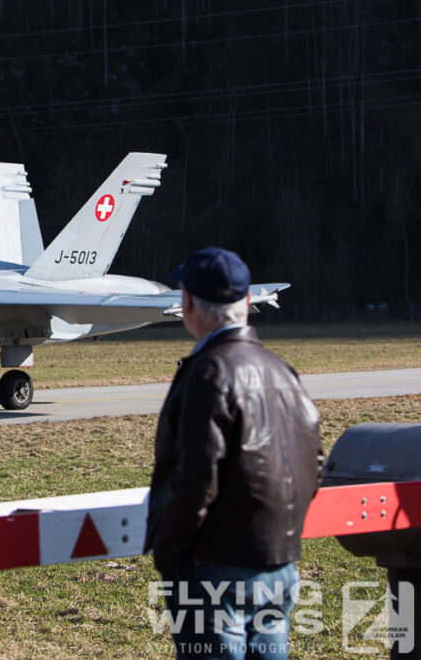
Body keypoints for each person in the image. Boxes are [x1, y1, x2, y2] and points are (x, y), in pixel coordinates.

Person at [145, 247, 324, 660]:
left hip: (213, 567)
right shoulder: (282, 370)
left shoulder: (208, 374)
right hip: (277, 564)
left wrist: (170, 554)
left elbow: (196, 479)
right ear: (246, 302)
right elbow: (313, 463)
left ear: (187, 303)